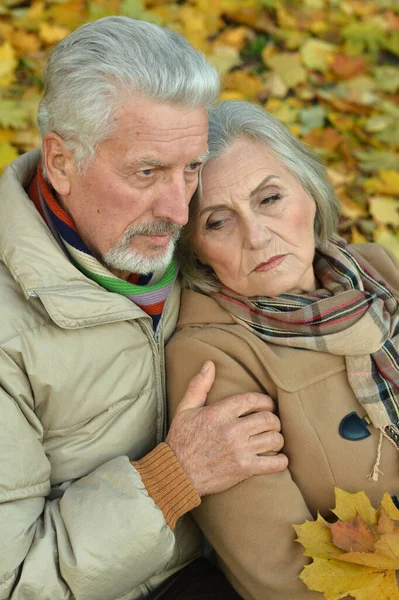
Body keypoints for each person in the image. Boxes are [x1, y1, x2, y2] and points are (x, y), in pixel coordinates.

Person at [0, 21, 289, 600]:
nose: (180, 210)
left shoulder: (194, 228)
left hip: (250, 549)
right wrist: (172, 478)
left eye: (192, 167)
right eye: (147, 172)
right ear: (60, 161)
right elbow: (14, 583)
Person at [166, 100, 399, 600]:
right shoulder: (209, 355)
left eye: (269, 198)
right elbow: (281, 573)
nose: (257, 236)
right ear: (194, 248)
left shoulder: (378, 271)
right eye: (217, 222)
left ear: (309, 192)